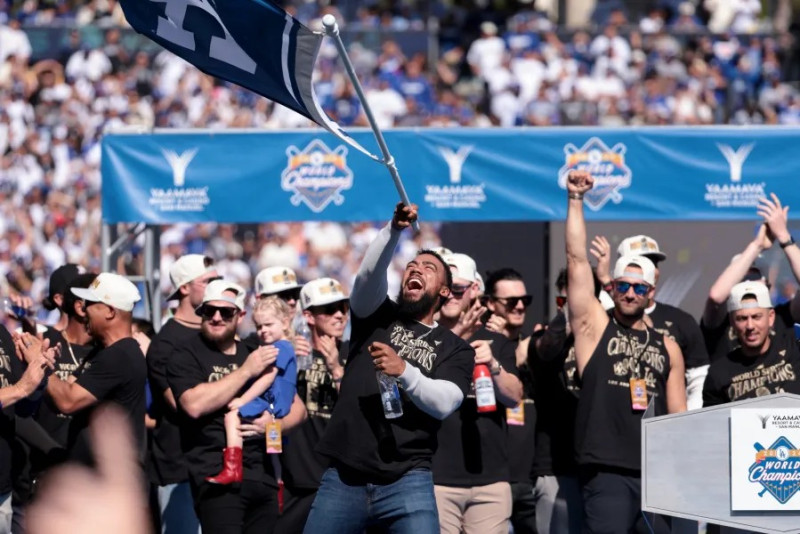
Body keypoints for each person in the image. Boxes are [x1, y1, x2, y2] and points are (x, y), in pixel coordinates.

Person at [304, 202, 474, 533]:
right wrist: (393, 231)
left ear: (443, 290)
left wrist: (405, 371)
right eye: (412, 264)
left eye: (428, 267)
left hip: (408, 479)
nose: (416, 269)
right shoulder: (377, 315)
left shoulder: (456, 348)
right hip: (344, 475)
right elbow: (368, 277)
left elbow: (445, 402)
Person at [565, 170, 686, 532]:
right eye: (623, 285)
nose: (630, 293)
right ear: (612, 287)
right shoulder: (594, 326)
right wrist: (575, 200)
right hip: (606, 472)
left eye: (639, 287)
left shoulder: (669, 346)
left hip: (657, 476)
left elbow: (679, 418)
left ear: (652, 293)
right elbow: (575, 261)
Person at [166, 279, 304, 533]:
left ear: (240, 316)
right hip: (217, 477)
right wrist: (245, 371)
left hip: (264, 477)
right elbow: (193, 405)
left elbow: (297, 410)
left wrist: (271, 427)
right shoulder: (185, 353)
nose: (217, 317)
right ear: (201, 313)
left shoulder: (257, 348)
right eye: (209, 311)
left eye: (226, 311)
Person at [433, 252, 522, 534]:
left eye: (458, 290)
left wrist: (494, 366)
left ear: (474, 290)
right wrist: (457, 340)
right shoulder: (423, 337)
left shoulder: (498, 342)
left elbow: (515, 396)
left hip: (489, 481)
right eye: (445, 289)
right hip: (436, 478)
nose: (450, 297)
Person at [593, 234, 710, 410]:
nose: (651, 269)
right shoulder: (602, 317)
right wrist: (607, 285)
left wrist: (688, 421)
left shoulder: (681, 320)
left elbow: (698, 378)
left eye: (654, 263)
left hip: (657, 426)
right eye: (640, 261)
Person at [43, 272, 147, 467]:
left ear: (109, 311)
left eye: (90, 304)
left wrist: (38, 363)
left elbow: (67, 400)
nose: (83, 310)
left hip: (110, 481)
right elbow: (69, 387)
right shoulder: (109, 352)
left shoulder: (118, 356)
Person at [147, 254, 219, 534]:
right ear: (185, 288)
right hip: (179, 469)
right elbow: (183, 405)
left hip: (216, 464)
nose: (216, 287)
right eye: (209, 281)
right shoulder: (165, 343)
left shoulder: (217, 335)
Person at [277, 277, 349, 534]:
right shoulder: (294, 354)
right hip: (296, 476)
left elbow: (359, 413)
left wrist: (335, 367)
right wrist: (286, 352)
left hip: (341, 481)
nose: (340, 315)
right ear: (308, 316)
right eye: (330, 309)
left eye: (344, 307)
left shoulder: (356, 353)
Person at [206, 296, 297, 485]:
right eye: (259, 327)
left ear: (285, 323)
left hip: (271, 401)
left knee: (231, 416)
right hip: (276, 406)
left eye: (268, 324)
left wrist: (242, 400)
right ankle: (279, 484)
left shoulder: (279, 348)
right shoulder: (286, 347)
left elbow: (267, 378)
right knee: (273, 451)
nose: (263, 331)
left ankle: (232, 466)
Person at [702, 193, 800, 364]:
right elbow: (716, 297)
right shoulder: (721, 324)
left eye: (754, 276)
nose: (748, 284)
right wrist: (757, 246)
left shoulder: (781, 319)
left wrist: (784, 237)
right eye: (741, 279)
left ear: (767, 285)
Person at [527, 268, 585, 534]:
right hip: (555, 467)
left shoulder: (610, 342)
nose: (571, 308)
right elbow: (548, 346)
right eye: (563, 302)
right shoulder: (543, 341)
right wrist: (565, 318)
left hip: (601, 470)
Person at [483, 267, 537, 533]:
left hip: (530, 480)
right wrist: (498, 343)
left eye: (524, 301)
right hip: (489, 480)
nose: (519, 306)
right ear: (490, 304)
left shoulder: (536, 347)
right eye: (511, 301)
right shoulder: (478, 348)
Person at [703, 281, 800, 406]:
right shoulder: (719, 373)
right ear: (732, 322)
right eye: (742, 319)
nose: (750, 326)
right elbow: (711, 422)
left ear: (770, 317)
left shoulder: (794, 348)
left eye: (756, 317)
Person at [0, 324, 55, 533]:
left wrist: (38, 372)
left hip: (3, 485)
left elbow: (23, 408)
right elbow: (18, 389)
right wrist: (20, 388)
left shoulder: (2, 333)